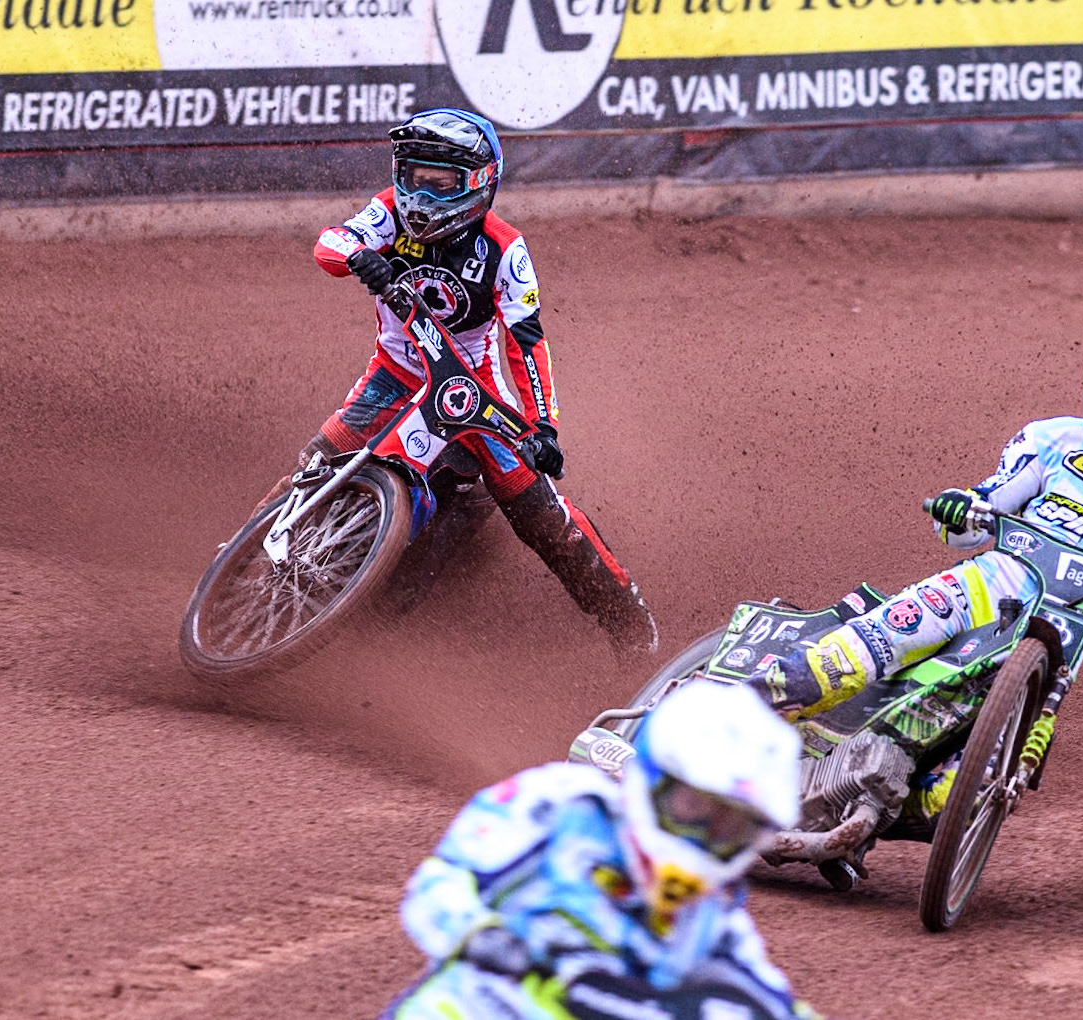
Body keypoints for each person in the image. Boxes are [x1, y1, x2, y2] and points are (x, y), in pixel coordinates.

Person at [754, 312, 1083, 815]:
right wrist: (959, 507)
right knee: (846, 662)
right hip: (981, 588)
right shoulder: (1050, 439)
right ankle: (720, 719)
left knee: (972, 790)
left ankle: (854, 811)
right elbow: (974, 517)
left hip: (1055, 647)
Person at [285, 107, 656, 654]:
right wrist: (358, 255)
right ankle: (251, 551)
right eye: (415, 177)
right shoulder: (387, 210)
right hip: (394, 373)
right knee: (315, 461)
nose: (424, 196)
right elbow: (331, 241)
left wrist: (543, 427)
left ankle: (628, 621)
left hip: (472, 389)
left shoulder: (506, 248)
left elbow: (524, 340)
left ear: (479, 184)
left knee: (536, 509)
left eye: (442, 184)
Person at [380, 681, 823, 1020]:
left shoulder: (710, 914)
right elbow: (442, 881)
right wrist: (479, 935)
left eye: (731, 827)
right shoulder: (564, 805)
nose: (704, 836)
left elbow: (769, 995)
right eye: (693, 808)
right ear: (652, 778)